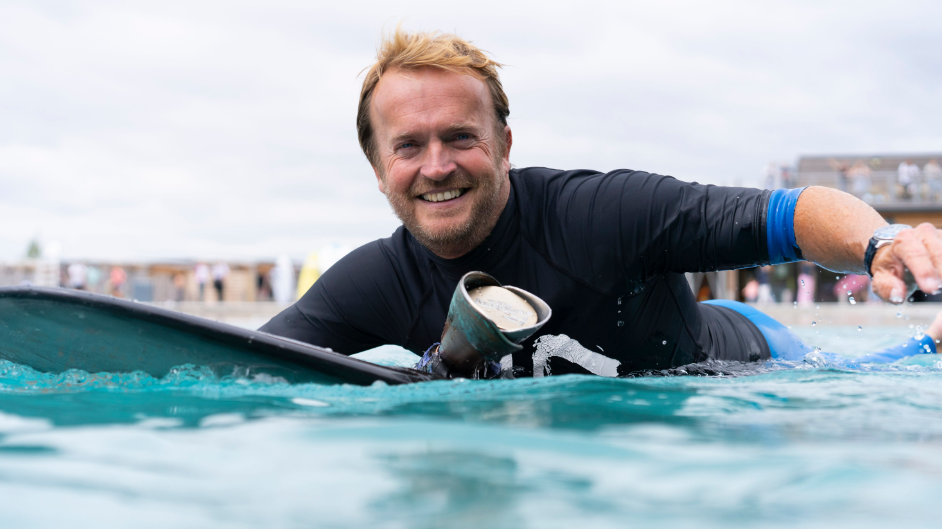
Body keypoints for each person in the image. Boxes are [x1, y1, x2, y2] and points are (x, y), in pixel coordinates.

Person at [261, 29, 942, 377]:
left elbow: (786, 214)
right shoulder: (374, 280)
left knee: (884, 363)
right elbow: (234, 362)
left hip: (742, 359)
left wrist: (880, 241)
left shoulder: (604, 213)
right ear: (379, 170)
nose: (436, 166)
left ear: (503, 145)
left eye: (460, 137)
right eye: (408, 146)